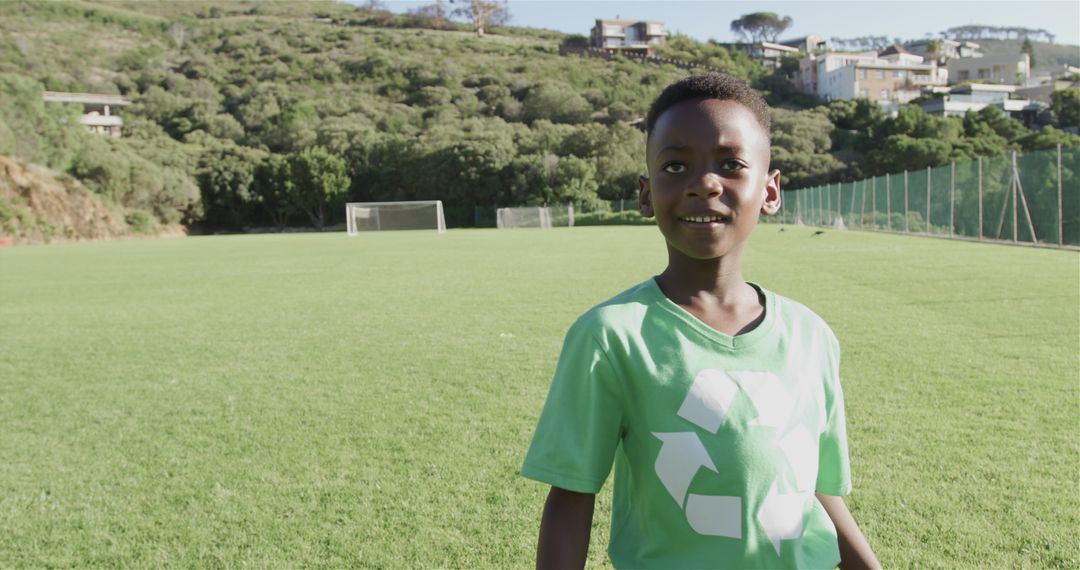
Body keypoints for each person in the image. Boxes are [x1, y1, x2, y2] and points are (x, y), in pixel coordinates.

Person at [520, 73, 880, 569]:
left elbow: (814, 488)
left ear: (770, 190)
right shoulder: (611, 336)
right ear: (646, 195)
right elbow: (572, 497)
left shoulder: (811, 335)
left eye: (731, 164)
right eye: (675, 165)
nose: (704, 183)